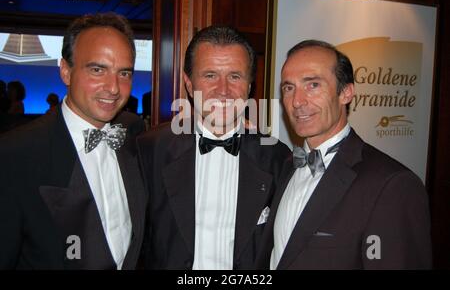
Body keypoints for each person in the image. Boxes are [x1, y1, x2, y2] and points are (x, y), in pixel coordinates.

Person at [256, 40, 432, 269]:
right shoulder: (287, 165)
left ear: (346, 93)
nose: (297, 101)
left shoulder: (392, 185)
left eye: (313, 85)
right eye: (289, 88)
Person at [0, 12, 147, 269]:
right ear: (66, 71)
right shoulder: (14, 155)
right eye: (98, 69)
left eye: (124, 73)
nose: (113, 87)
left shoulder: (133, 133)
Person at [137, 26, 291, 269]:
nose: (223, 90)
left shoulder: (278, 158)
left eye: (235, 76)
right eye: (210, 75)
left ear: (249, 85)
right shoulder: (149, 150)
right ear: (189, 84)